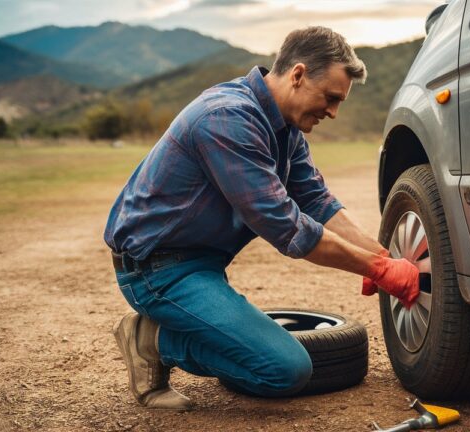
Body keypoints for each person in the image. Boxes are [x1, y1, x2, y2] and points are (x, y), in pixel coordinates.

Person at [105, 26, 421, 410]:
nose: (334, 113)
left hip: (198, 264)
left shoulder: (285, 129)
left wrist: (380, 257)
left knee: (279, 362)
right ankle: (150, 338)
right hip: (156, 270)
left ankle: (174, 329)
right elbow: (286, 226)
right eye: (331, 98)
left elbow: (317, 201)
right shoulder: (226, 119)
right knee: (283, 370)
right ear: (298, 75)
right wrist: (376, 269)